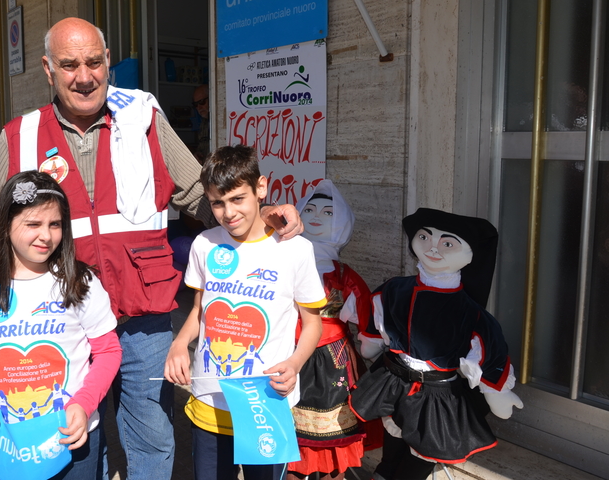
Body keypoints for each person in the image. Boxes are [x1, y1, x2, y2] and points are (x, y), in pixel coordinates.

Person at [0, 17, 303, 480]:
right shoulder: (21, 134)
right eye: (70, 64)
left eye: (94, 62)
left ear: (108, 62)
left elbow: (199, 191)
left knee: (152, 432)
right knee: (77, 432)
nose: (84, 75)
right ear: (48, 69)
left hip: (144, 312)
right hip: (64, 315)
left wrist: (262, 212)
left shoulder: (143, 118)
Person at [0, 171, 122, 479]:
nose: (46, 236)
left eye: (55, 224)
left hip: (71, 436)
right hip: (6, 440)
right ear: (5, 225)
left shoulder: (81, 282)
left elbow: (108, 351)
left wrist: (84, 404)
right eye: (33, 224)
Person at [164, 145, 325, 480]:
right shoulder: (204, 244)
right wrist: (180, 343)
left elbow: (312, 323)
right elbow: (198, 310)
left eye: (237, 198)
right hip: (210, 401)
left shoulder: (295, 249)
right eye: (217, 202)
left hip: (266, 403)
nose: (228, 212)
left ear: (261, 188)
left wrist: (294, 364)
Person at [349, 208, 523, 480]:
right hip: (394, 380)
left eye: (448, 243)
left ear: (468, 255)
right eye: (424, 237)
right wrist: (370, 341)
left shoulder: (470, 312)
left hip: (437, 393)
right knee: (393, 438)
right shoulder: (394, 289)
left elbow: (491, 351)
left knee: (424, 451)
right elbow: (376, 317)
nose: (433, 248)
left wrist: (497, 392)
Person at [287, 180, 381, 480]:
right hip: (292, 354)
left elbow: (364, 310)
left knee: (336, 437)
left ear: (340, 221)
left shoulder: (343, 275)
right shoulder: (283, 264)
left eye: (328, 212)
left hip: (331, 360)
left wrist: (369, 340)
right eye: (310, 209)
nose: (316, 216)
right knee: (291, 438)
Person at [192, 84, 210, 161]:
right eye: (196, 104)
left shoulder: (218, 121)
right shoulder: (203, 122)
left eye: (202, 102)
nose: (199, 107)